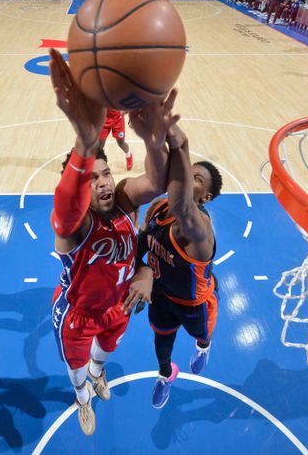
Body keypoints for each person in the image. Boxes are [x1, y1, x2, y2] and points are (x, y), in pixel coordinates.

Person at [48, 48, 174, 436]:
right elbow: (66, 209)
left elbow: (156, 183)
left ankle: (99, 376)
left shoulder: (121, 199)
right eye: (92, 177)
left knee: (105, 355)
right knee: (77, 370)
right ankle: (82, 400)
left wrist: (155, 141)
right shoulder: (75, 225)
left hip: (119, 303)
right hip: (77, 313)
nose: (102, 181)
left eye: (105, 174)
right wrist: (85, 146)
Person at [130, 121, 222, 409]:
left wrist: (179, 143)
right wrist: (139, 270)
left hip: (195, 302)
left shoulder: (198, 229)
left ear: (205, 197)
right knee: (161, 346)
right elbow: (141, 243)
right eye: (187, 170)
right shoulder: (158, 207)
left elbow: (182, 204)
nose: (185, 177)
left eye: (195, 178)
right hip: (162, 295)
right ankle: (166, 374)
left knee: (201, 334)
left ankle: (203, 347)